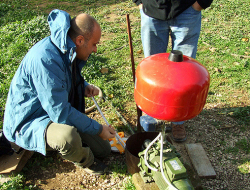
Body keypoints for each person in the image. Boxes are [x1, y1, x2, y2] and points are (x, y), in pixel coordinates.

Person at [3, 9, 116, 175]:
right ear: (79, 40)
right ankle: (86, 162)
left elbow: (62, 80)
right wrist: (99, 129)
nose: (95, 50)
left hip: (49, 109)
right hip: (29, 120)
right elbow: (61, 113)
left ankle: (66, 143)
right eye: (94, 44)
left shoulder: (66, 48)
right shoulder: (46, 59)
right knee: (67, 137)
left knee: (104, 149)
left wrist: (83, 85)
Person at [133, 0, 213, 142]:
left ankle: (178, 121)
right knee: (152, 71)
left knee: (184, 74)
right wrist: (140, 2)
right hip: (151, 9)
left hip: (187, 9)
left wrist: (200, 3)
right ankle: (151, 117)